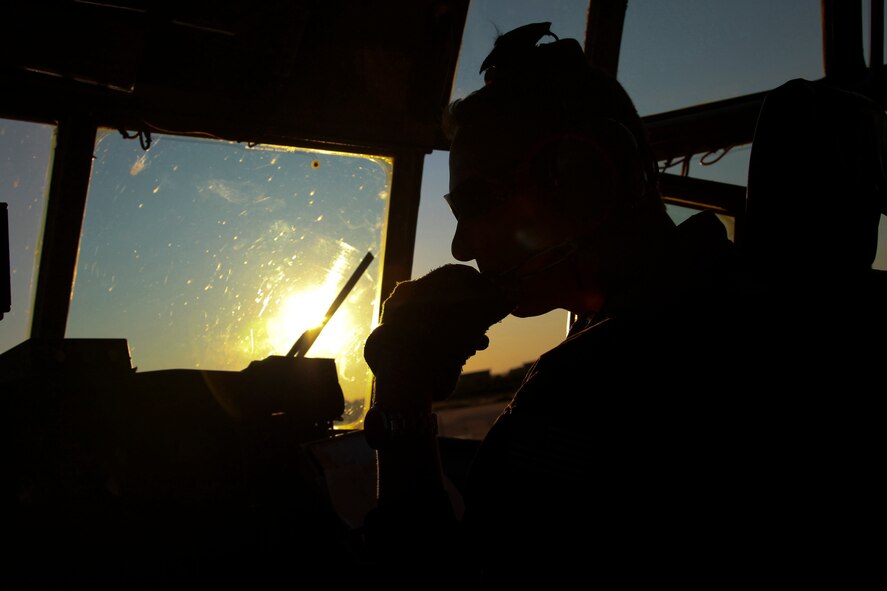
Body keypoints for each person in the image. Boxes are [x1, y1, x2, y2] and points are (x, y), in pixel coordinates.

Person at [358, 22, 805, 586]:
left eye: (476, 202)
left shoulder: (597, 381)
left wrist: (403, 389)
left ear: (586, 176)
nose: (459, 245)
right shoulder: (738, 301)